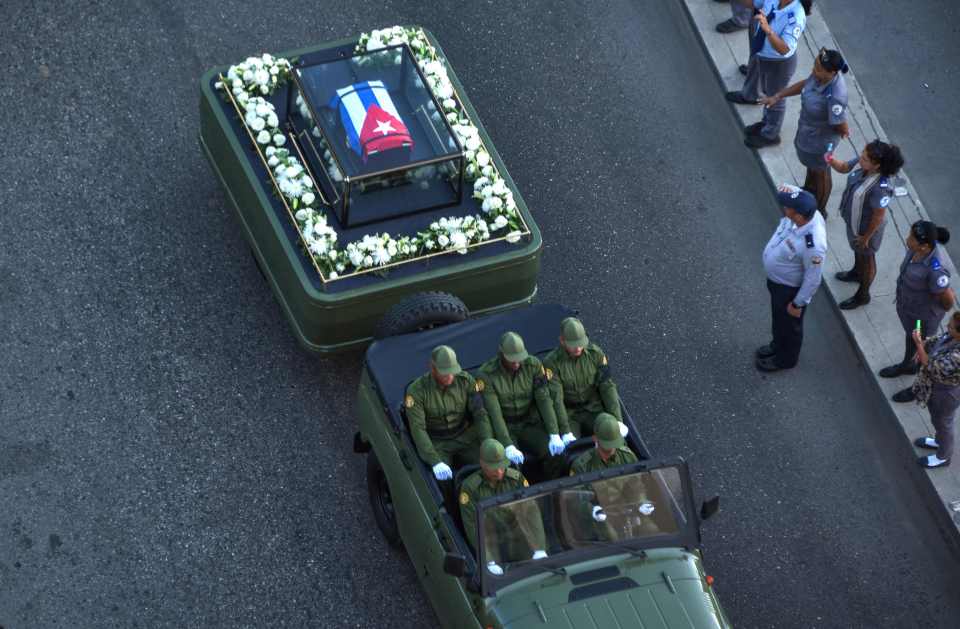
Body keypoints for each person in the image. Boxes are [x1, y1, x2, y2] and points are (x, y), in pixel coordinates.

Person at [759, 48, 850, 211]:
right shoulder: (819, 77)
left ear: (832, 73)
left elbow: (841, 123)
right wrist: (778, 96)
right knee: (812, 167)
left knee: (821, 171)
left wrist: (843, 131)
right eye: (815, 65)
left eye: (818, 69)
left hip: (821, 142)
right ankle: (809, 191)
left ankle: (819, 209)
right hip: (808, 134)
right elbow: (805, 85)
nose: (813, 70)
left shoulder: (836, 95)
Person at [880, 221, 954, 402]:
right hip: (909, 309)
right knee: (911, 337)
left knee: (921, 349)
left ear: (925, 246)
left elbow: (947, 299)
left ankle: (917, 388)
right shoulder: (917, 250)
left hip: (922, 317)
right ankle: (908, 365)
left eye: (912, 238)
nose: (908, 239)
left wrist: (933, 314)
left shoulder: (936, 268)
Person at [756, 188, 827, 371]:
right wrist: (788, 190)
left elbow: (813, 279)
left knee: (790, 326)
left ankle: (785, 360)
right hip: (777, 283)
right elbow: (798, 194)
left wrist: (798, 304)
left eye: (788, 206)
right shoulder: (806, 211)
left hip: (789, 291)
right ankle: (777, 345)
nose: (784, 207)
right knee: (779, 320)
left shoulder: (814, 244)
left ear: (799, 215)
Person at [828, 140, 905, 309]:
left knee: (867, 257)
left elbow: (878, 216)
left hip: (867, 229)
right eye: (862, 155)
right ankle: (857, 272)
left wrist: (866, 237)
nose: (860, 159)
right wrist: (831, 160)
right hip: (855, 223)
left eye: (865, 158)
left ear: (876, 166)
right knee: (859, 253)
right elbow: (844, 168)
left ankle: (863, 294)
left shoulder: (880, 188)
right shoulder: (864, 164)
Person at [726, 0, 812, 149]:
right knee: (758, 77)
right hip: (762, 51)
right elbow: (754, 3)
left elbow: (784, 48)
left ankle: (770, 134)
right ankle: (755, 103)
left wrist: (768, 30)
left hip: (778, 63)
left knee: (775, 98)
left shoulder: (796, 16)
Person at [458, 439, 547, 575]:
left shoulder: (516, 479)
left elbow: (531, 511)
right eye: (494, 468)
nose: (499, 472)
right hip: (490, 538)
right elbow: (472, 526)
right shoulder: (470, 488)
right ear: (482, 464)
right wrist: (488, 560)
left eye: (502, 466)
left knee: (539, 571)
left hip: (516, 533)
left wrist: (539, 547)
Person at [478, 332, 565, 469]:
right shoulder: (486, 374)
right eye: (512, 359)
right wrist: (507, 444)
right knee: (509, 464)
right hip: (505, 426)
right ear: (501, 355)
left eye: (519, 358)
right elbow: (494, 413)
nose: (517, 363)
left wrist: (554, 433)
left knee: (554, 453)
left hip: (529, 422)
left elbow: (544, 400)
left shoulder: (533, 365)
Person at [405, 345, 492, 481]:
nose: (450, 377)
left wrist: (488, 442)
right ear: (432, 368)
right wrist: (435, 461)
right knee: (441, 482)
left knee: (490, 467)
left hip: (466, 436)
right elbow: (418, 428)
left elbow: (480, 413)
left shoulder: (465, 381)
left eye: (452, 371)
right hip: (438, 443)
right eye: (444, 372)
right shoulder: (416, 391)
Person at [543, 317, 622, 441]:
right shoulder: (552, 363)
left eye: (580, 343)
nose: (578, 348)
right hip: (570, 414)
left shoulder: (596, 354)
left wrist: (617, 420)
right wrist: (565, 430)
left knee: (613, 436)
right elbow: (556, 398)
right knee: (571, 448)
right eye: (573, 345)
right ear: (562, 341)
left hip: (594, 408)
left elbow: (607, 387)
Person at [910, 312, 960, 468]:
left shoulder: (958, 356)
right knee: (937, 419)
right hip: (936, 389)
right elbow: (939, 339)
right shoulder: (953, 336)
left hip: (946, 394)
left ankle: (944, 456)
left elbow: (930, 366)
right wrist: (925, 343)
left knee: (944, 423)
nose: (947, 326)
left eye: (950, 326)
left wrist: (918, 344)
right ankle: (939, 441)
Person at [569, 413, 638, 475]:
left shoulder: (628, 456)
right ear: (595, 438)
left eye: (613, 441)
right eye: (608, 442)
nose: (611, 447)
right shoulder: (581, 467)